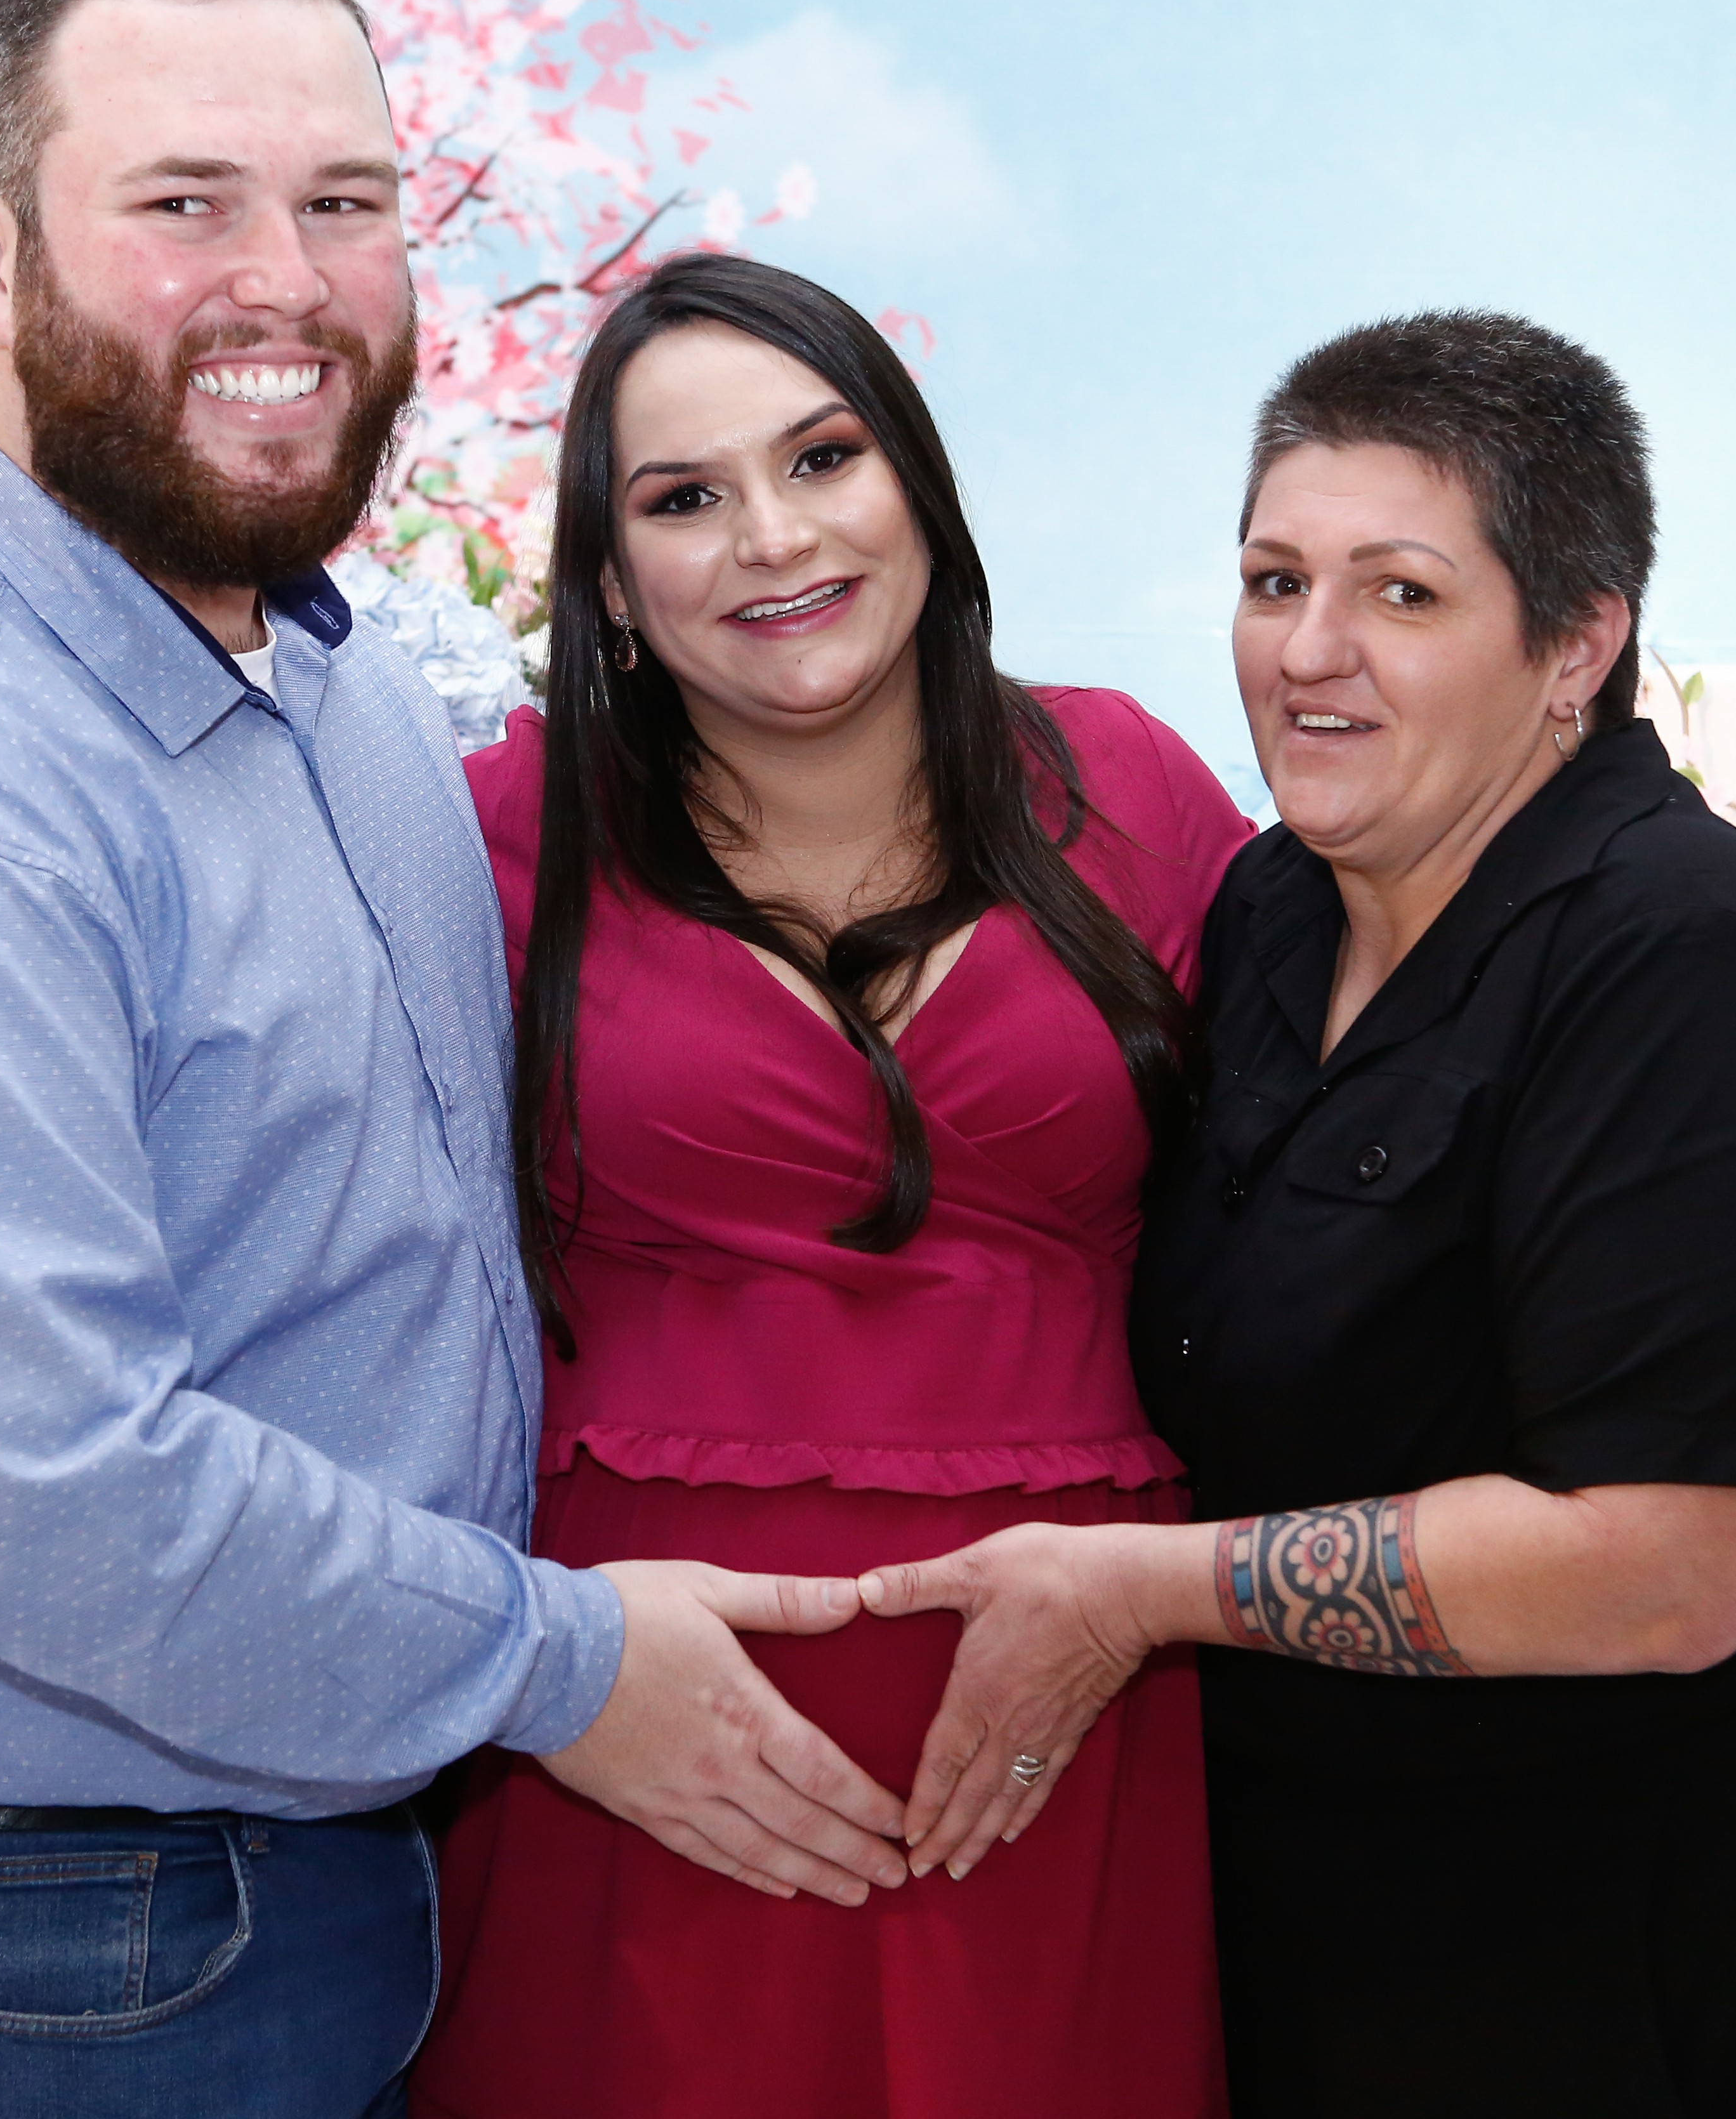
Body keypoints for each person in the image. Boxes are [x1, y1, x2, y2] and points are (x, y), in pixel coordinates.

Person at [0, 0, 914, 2119]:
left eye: (344, 203)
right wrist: (554, 1663)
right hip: (5, 1906)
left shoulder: (310, 667)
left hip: (233, 1839)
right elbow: (27, 1491)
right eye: (185, 205)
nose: (287, 281)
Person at [852, 312, 1736, 2115]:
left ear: (1577, 644)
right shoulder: (1272, 912)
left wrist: (1136, 1592)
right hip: (1376, 1937)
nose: (1307, 651)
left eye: (1401, 594)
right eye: (1273, 581)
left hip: (1704, 1949)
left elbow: (1669, 1564)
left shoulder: (1686, 955)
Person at [414, 254, 1252, 2118]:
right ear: (609, 585)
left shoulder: (1135, 791)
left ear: (918, 490)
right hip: (628, 1745)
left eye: (822, 458)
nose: (773, 537)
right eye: (683, 498)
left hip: (1074, 1727)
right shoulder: (491, 837)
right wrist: (524, 1678)